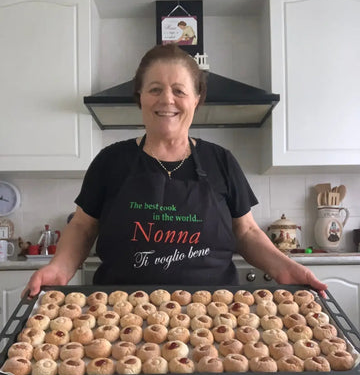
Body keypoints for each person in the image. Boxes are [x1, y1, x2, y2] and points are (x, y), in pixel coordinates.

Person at [24, 43, 327, 298]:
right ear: (140, 97)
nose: (166, 99)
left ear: (197, 99)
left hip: (215, 316)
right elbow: (82, 227)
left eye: (179, 91)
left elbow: (246, 232)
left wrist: (285, 266)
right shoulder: (110, 161)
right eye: (155, 89)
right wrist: (59, 268)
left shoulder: (221, 160)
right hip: (119, 315)